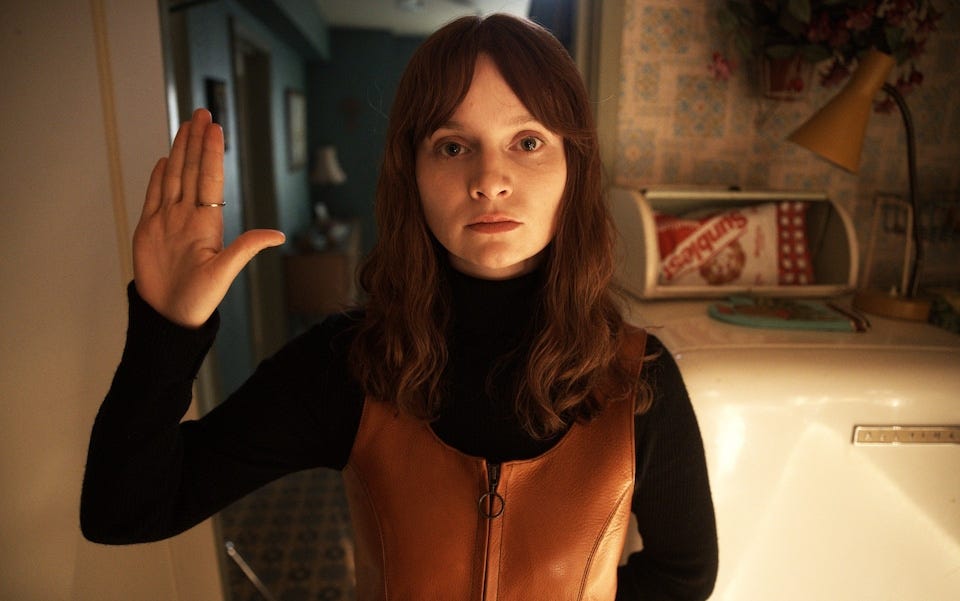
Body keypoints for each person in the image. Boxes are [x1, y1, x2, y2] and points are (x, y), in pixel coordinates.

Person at [81, 13, 718, 601]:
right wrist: (165, 328)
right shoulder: (348, 363)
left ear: (573, 168)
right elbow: (126, 511)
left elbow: (684, 572)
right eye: (451, 144)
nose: (489, 178)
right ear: (409, 172)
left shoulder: (640, 377)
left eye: (527, 142)